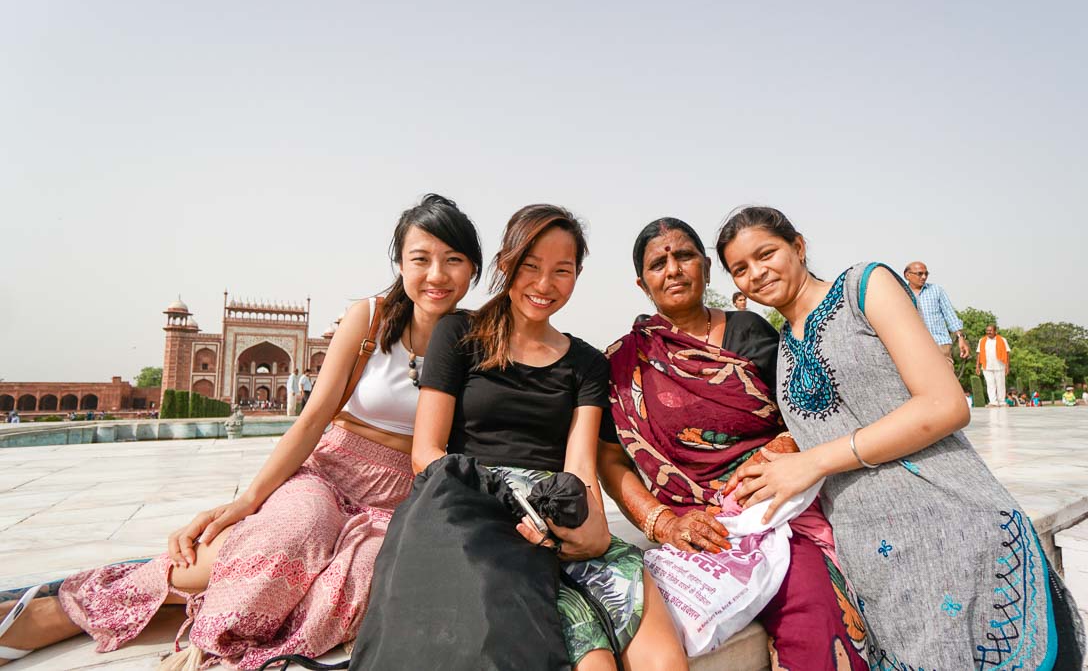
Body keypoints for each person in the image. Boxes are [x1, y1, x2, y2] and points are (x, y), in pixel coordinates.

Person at [0, 194, 484, 669]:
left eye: (454, 260)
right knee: (286, 539)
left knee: (356, 588)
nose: (436, 275)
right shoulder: (370, 319)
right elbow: (313, 419)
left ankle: (139, 609)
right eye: (421, 259)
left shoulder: (480, 338)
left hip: (402, 496)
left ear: (473, 269)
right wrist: (249, 499)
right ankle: (63, 612)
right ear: (400, 261)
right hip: (330, 471)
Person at [716, 206, 1084, 670]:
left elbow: (944, 405)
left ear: (799, 245)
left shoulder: (864, 287)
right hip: (882, 570)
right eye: (740, 269)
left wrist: (813, 461)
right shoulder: (784, 352)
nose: (757, 273)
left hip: (956, 526)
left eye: (765, 254)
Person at [412, 204, 686, 670]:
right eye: (531, 267)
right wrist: (506, 510)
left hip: (558, 510)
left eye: (562, 271)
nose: (544, 285)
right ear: (506, 264)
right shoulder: (457, 334)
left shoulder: (586, 364)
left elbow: (580, 465)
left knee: (657, 648)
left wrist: (595, 529)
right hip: (476, 514)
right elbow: (426, 453)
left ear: (577, 275)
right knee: (593, 659)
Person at [599, 217, 868, 670]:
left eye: (684, 256)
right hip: (692, 524)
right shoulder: (626, 361)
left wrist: (779, 452)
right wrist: (661, 522)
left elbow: (806, 414)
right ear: (642, 283)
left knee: (814, 610)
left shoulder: (750, 332)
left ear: (705, 267)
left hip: (771, 507)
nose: (673, 269)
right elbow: (608, 456)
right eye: (658, 263)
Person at [903, 261, 969, 365]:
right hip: (914, 346)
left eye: (926, 274)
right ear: (907, 275)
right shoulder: (901, 293)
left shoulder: (936, 290)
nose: (924, 277)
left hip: (940, 343)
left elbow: (949, 314)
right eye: (920, 274)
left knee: (946, 377)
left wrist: (961, 337)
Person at [975, 324, 1011, 407]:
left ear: (995, 331)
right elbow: (979, 353)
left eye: (990, 330)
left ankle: (1002, 402)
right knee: (990, 384)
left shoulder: (1002, 340)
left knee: (1000, 384)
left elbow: (1007, 353)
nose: (988, 332)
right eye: (987, 330)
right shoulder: (982, 340)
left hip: (1000, 366)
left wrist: (1007, 366)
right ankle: (993, 402)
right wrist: (977, 366)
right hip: (986, 366)